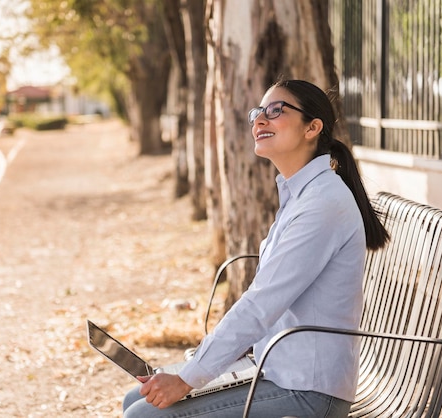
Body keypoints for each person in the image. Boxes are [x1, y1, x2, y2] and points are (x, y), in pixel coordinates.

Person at [122, 79, 389, 418]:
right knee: (137, 399)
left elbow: (262, 302)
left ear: (312, 127)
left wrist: (188, 378)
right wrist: (214, 360)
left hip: (310, 391)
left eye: (276, 110)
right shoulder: (302, 195)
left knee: (144, 415)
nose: (260, 120)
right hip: (280, 371)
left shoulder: (322, 203)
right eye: (257, 113)